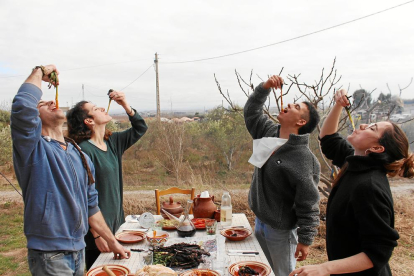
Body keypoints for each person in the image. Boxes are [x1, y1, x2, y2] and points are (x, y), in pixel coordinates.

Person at [11, 65, 130, 276]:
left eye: (49, 100)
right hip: (49, 253)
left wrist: (113, 242)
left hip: (78, 250)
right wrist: (39, 72)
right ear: (34, 119)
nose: (50, 101)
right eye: (41, 104)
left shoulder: (79, 155)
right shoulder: (33, 148)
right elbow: (22, 107)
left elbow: (91, 205)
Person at [290, 89, 413, 276]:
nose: (363, 125)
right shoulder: (355, 162)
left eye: (372, 129)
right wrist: (339, 105)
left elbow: (378, 252)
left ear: (376, 148)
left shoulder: (369, 187)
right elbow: (329, 139)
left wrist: (325, 268)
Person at [244, 75, 321, 275]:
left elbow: (309, 204)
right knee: (262, 271)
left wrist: (305, 240)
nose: (289, 104)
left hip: (281, 231)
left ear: (301, 121)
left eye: (296, 107)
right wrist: (265, 87)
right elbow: (251, 112)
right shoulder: (269, 132)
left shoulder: (303, 159)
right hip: (259, 221)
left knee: (282, 274)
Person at [66, 91, 147, 269]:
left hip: (117, 223)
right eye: (95, 108)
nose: (102, 108)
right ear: (89, 121)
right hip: (98, 232)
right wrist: (96, 234)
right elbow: (82, 196)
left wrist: (125, 104)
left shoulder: (113, 142)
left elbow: (140, 128)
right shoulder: (84, 151)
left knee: (123, 268)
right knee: (102, 270)